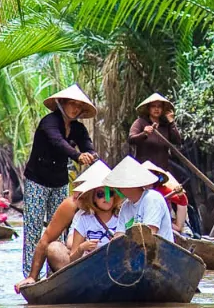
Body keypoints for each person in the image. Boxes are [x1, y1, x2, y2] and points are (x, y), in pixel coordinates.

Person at [21, 84, 99, 278]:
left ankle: (55, 273)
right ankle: (31, 275)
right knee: (33, 228)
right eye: (72, 104)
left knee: (61, 229)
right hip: (37, 181)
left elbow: (87, 144)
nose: (75, 109)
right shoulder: (49, 122)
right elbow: (58, 142)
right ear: (62, 103)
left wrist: (91, 154)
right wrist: (77, 156)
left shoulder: (78, 128)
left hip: (60, 182)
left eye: (79, 106)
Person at [15, 161, 118, 290]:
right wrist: (32, 276)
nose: (106, 198)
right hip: (82, 262)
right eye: (100, 194)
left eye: (110, 193)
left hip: (114, 259)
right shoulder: (73, 205)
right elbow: (46, 239)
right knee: (54, 248)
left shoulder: (120, 205)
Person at [105, 156, 175, 244]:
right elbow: (119, 236)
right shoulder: (126, 206)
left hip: (158, 250)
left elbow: (149, 235)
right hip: (134, 249)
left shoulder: (152, 198)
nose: (118, 189)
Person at [127, 93, 181, 167]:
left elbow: (177, 141)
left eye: (159, 106)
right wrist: (144, 134)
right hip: (144, 168)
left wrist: (171, 122)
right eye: (153, 106)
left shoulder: (166, 125)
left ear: (162, 109)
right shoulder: (140, 122)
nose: (156, 109)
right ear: (148, 108)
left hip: (162, 168)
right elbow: (131, 139)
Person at [141, 160, 191, 235]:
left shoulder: (162, 190)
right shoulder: (136, 191)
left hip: (161, 223)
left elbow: (182, 201)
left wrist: (176, 226)